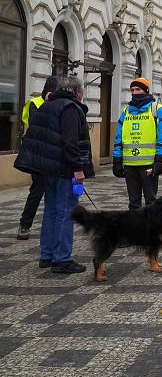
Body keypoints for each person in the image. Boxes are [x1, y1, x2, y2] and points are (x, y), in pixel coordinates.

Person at [14, 75, 94, 274]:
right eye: (82, 92)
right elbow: (70, 142)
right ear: (77, 92)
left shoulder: (48, 105)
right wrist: (78, 169)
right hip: (64, 168)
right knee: (66, 210)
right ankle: (62, 258)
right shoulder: (69, 108)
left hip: (46, 168)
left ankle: (47, 255)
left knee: (51, 209)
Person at [112, 78, 162, 211]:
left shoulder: (158, 110)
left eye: (138, 89)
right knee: (133, 203)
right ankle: (135, 230)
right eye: (132, 90)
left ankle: (150, 230)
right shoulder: (126, 112)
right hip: (129, 165)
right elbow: (119, 138)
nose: (134, 92)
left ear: (146, 91)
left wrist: (160, 160)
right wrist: (116, 160)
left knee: (151, 202)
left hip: (149, 165)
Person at [16, 75, 60, 240]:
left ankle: (53, 227)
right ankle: (24, 225)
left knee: (55, 193)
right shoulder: (35, 103)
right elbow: (39, 124)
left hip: (54, 156)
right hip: (39, 157)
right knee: (37, 191)